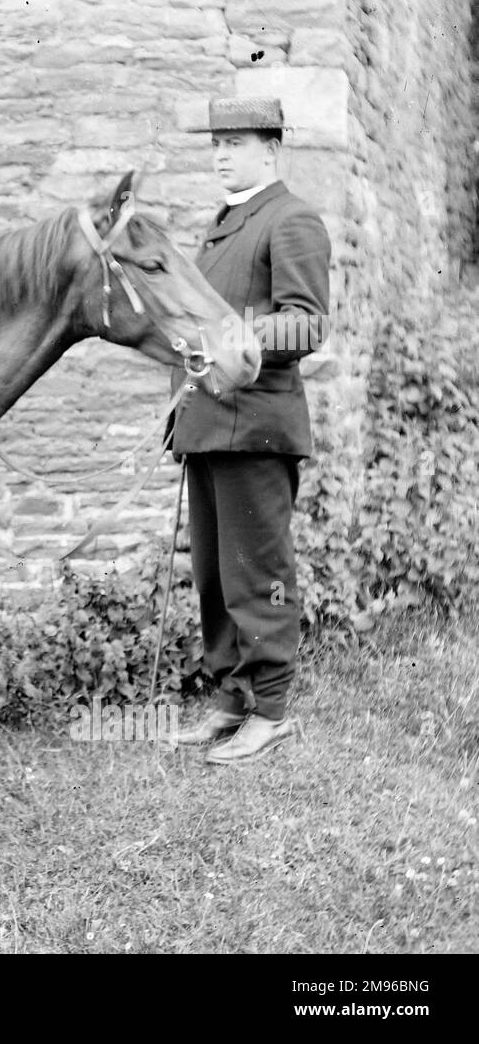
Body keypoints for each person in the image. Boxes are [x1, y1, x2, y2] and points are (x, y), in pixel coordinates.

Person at [169, 96, 332, 764]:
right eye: (215, 143)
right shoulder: (222, 226)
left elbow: (307, 322)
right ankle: (231, 699)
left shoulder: (290, 219)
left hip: (257, 428)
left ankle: (270, 709)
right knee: (213, 576)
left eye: (234, 142)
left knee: (257, 574)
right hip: (208, 424)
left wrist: (237, 332)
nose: (220, 154)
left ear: (270, 148)